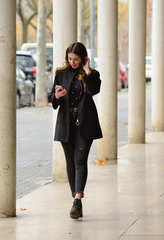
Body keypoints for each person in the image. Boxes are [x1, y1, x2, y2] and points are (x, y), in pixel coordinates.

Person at [49, 42, 102, 219]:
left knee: (80, 160)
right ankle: (76, 201)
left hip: (85, 122)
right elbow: (53, 101)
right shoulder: (60, 73)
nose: (72, 62)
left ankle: (77, 199)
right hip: (66, 123)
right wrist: (57, 96)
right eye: (70, 59)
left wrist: (87, 71)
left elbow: (94, 90)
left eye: (76, 59)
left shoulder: (92, 74)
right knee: (70, 162)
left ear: (83, 58)